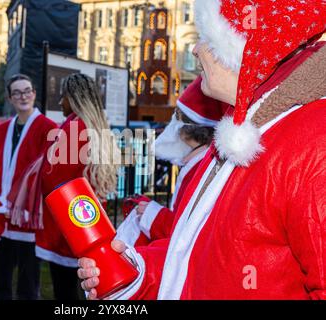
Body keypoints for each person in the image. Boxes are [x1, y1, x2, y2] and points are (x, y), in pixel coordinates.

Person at [78, 0, 326, 299]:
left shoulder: (313, 140)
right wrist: (137, 272)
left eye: (208, 38)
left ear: (247, 49)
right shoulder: (238, 135)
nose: (195, 50)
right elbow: (198, 258)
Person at [10, 73, 119, 300]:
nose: (61, 102)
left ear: (74, 98)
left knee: (67, 290)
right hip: (88, 218)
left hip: (67, 224)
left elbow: (53, 177)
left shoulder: (74, 126)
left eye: (64, 96)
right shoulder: (97, 125)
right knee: (87, 288)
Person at [116, 76, 229, 246]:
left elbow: (189, 233)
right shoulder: (200, 163)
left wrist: (152, 214)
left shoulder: (201, 169)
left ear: (184, 131)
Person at [0, 74, 57, 300]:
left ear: (34, 94)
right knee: (0, 281)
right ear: (10, 98)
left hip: (29, 219)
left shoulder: (48, 128)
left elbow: (50, 170)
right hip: (2, 217)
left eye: (27, 91)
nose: (23, 96)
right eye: (17, 93)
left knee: (28, 287)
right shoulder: (2, 130)